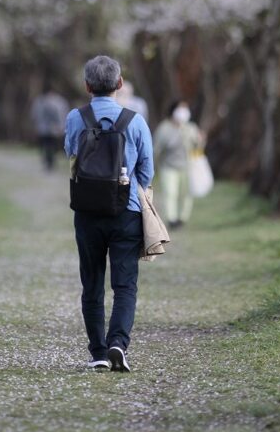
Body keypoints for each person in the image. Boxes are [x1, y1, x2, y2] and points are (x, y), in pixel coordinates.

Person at [65, 55, 154, 373]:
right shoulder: (136, 119)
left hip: (87, 212)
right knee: (125, 284)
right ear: (119, 84)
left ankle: (99, 352)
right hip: (126, 211)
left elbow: (72, 155)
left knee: (91, 284)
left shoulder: (77, 117)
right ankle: (119, 343)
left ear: (87, 86)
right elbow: (147, 169)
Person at [154, 100, 203, 230]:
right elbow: (156, 149)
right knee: (170, 193)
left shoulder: (190, 127)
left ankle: (183, 218)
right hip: (168, 167)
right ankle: (172, 219)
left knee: (186, 193)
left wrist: (200, 140)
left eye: (185, 109)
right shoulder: (164, 128)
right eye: (180, 109)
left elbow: (197, 147)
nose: (183, 112)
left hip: (187, 167)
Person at [31, 85, 69, 170]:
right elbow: (62, 115)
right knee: (50, 145)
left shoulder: (40, 101)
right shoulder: (59, 101)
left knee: (47, 145)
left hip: (45, 129)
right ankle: (49, 162)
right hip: (51, 129)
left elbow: (35, 115)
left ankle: (48, 162)